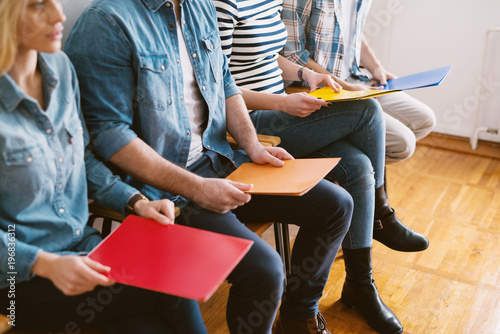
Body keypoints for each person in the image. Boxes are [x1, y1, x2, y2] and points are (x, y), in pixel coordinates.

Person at [64, 0, 354, 333]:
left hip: (219, 159)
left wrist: (252, 145)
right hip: (166, 190)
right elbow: (107, 133)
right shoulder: (106, 22)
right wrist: (195, 188)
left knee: (336, 205)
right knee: (265, 271)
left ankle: (299, 316)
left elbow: (224, 83)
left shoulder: (198, 6)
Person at [213, 0, 428, 333]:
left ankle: (359, 283)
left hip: (281, 108)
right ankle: (381, 217)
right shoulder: (222, 5)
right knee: (367, 111)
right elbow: (218, 87)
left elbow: (272, 56)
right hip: (251, 121)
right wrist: (283, 101)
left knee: (357, 166)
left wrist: (306, 73)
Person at [0, 0, 208, 333]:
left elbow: (80, 159)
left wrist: (135, 201)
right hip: (14, 282)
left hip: (82, 248)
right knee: (171, 282)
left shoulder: (60, 68)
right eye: (38, 4)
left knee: (149, 324)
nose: (59, 14)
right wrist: (44, 264)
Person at [281, 0, 437, 166]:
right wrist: (347, 88)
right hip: (318, 89)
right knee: (402, 144)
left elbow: (354, 33)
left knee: (424, 120)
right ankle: (349, 169)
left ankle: (354, 163)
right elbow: (292, 55)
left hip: (354, 79)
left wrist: (377, 68)